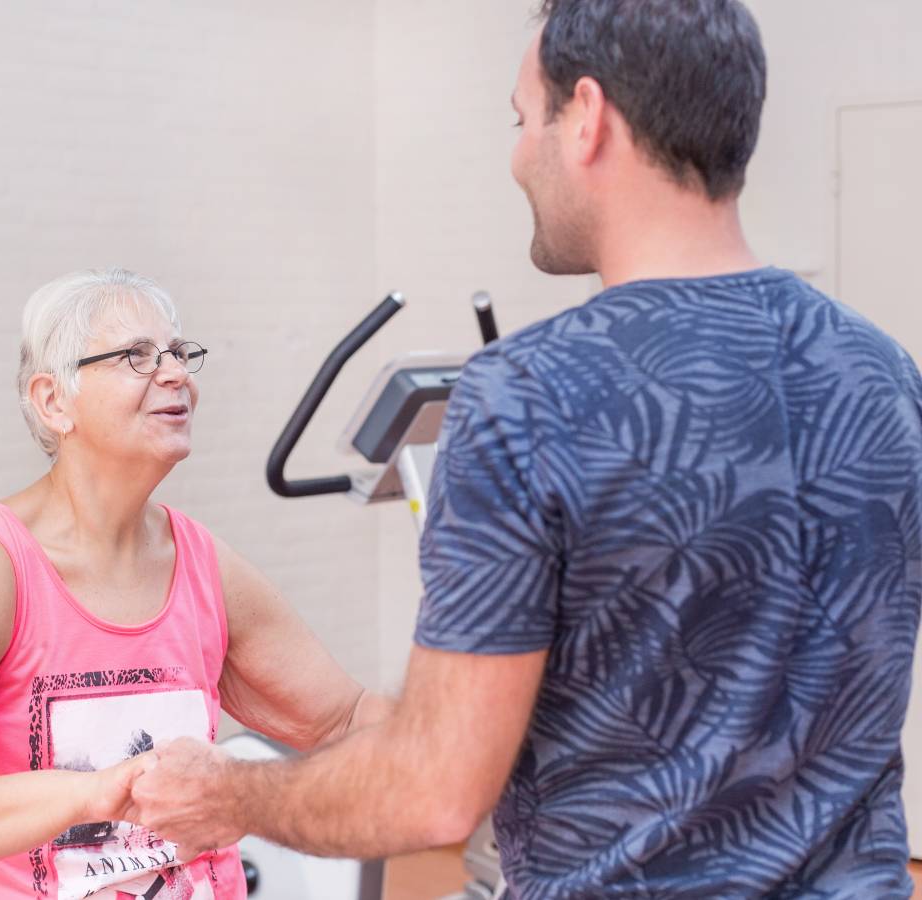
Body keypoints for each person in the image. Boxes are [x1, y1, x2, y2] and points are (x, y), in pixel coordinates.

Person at [123, 1, 922, 897]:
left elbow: (433, 794)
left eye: (521, 117)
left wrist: (229, 794)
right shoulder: (885, 375)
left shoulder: (528, 395)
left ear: (587, 118)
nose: (515, 154)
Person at [0, 268, 389, 900]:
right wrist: (101, 791)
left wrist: (492, 717)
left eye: (177, 353)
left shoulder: (201, 563)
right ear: (53, 400)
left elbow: (345, 717)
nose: (176, 375)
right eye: (135, 357)